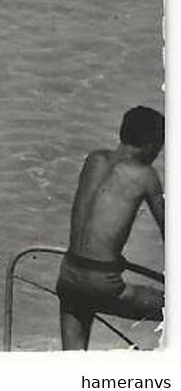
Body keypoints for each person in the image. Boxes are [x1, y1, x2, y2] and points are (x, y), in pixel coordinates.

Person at [57, 107, 164, 349]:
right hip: (103, 282)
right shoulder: (146, 175)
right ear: (150, 145)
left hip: (69, 274)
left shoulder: (94, 158)